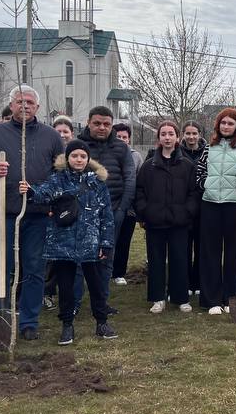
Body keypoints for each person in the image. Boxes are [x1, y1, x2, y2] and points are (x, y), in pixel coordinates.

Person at [0, 85, 65, 341]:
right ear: (11, 105)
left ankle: (28, 322)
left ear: (37, 107)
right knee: (0, 270)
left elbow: (61, 176)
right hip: (3, 214)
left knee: (34, 268)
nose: (24, 106)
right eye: (19, 102)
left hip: (37, 215)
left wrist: (40, 192)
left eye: (29, 102)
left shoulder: (51, 137)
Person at [21, 139, 117, 345]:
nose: (79, 159)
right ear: (68, 158)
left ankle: (102, 322)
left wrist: (106, 243)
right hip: (62, 242)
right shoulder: (58, 180)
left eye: (83, 156)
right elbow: (43, 193)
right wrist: (30, 191)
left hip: (91, 242)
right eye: (74, 156)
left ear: (88, 159)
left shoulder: (97, 183)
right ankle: (67, 325)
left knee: (96, 285)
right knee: (65, 286)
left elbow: (106, 215)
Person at [194, 108, 236, 314]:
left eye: (230, 123)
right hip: (211, 203)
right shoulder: (208, 147)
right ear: (218, 125)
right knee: (210, 252)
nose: (226, 127)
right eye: (223, 123)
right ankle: (211, 300)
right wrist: (207, 186)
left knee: (233, 253)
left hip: (235, 204)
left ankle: (230, 297)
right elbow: (200, 172)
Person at [133, 121, 199, 313]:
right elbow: (139, 192)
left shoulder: (187, 165)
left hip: (179, 222)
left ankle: (181, 298)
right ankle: (157, 298)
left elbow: (194, 193)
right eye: (164, 134)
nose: (167, 137)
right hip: (155, 223)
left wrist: (187, 212)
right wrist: (146, 212)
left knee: (180, 259)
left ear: (177, 137)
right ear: (159, 138)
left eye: (171, 134)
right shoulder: (148, 166)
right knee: (156, 260)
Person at [77, 107, 134, 296]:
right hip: (82, 212)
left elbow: (130, 179)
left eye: (107, 124)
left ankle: (101, 301)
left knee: (106, 257)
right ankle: (74, 301)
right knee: (79, 258)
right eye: (97, 123)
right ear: (88, 122)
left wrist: (121, 210)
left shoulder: (121, 147)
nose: (102, 127)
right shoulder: (77, 145)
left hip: (113, 211)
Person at [44, 115, 78, 310]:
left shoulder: (77, 153)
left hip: (72, 210)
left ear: (71, 134)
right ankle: (48, 292)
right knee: (51, 256)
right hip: (52, 210)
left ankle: (69, 295)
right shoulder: (48, 154)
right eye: (59, 131)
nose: (62, 135)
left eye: (66, 131)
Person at [111, 122, 142, 286]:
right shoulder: (107, 153)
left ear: (129, 140)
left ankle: (119, 272)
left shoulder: (136, 156)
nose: (122, 140)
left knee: (124, 240)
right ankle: (104, 270)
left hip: (128, 207)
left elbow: (139, 180)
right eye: (118, 137)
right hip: (110, 205)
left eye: (125, 137)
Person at [180, 121, 206, 300]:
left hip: (204, 205)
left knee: (202, 246)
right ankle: (186, 281)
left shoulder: (207, 151)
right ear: (183, 134)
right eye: (188, 133)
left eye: (194, 133)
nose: (191, 137)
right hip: (183, 205)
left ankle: (198, 282)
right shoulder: (177, 152)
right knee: (184, 246)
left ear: (199, 134)